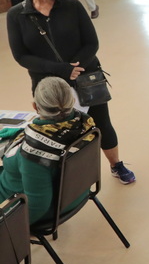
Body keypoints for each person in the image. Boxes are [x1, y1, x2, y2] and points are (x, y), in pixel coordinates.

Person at [6, 0, 135, 184]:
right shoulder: (16, 15)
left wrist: (74, 68)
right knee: (55, 131)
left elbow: (91, 43)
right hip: (48, 85)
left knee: (101, 123)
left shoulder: (72, 6)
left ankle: (116, 165)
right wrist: (61, 70)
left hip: (86, 76)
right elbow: (21, 56)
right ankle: (63, 178)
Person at [0, 77, 95, 224]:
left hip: (42, 209)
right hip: (77, 192)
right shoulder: (84, 123)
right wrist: (24, 133)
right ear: (72, 102)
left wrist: (11, 229)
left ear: (35, 107)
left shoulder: (32, 154)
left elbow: (38, 205)